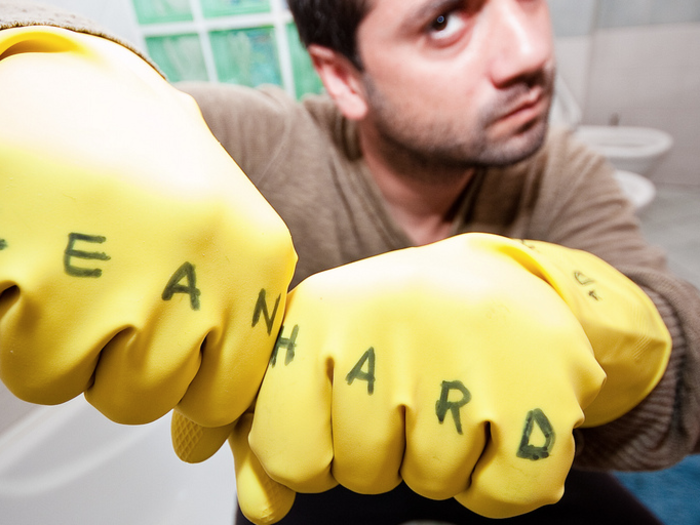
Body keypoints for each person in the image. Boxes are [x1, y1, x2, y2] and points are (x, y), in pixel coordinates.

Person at [0, 1, 699, 524]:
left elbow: (686, 360)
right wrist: (33, 69)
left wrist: (595, 318)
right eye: (445, 22)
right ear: (343, 77)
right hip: (301, 482)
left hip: (512, 472)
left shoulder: (558, 173)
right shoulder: (267, 142)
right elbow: (113, 116)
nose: (527, 51)